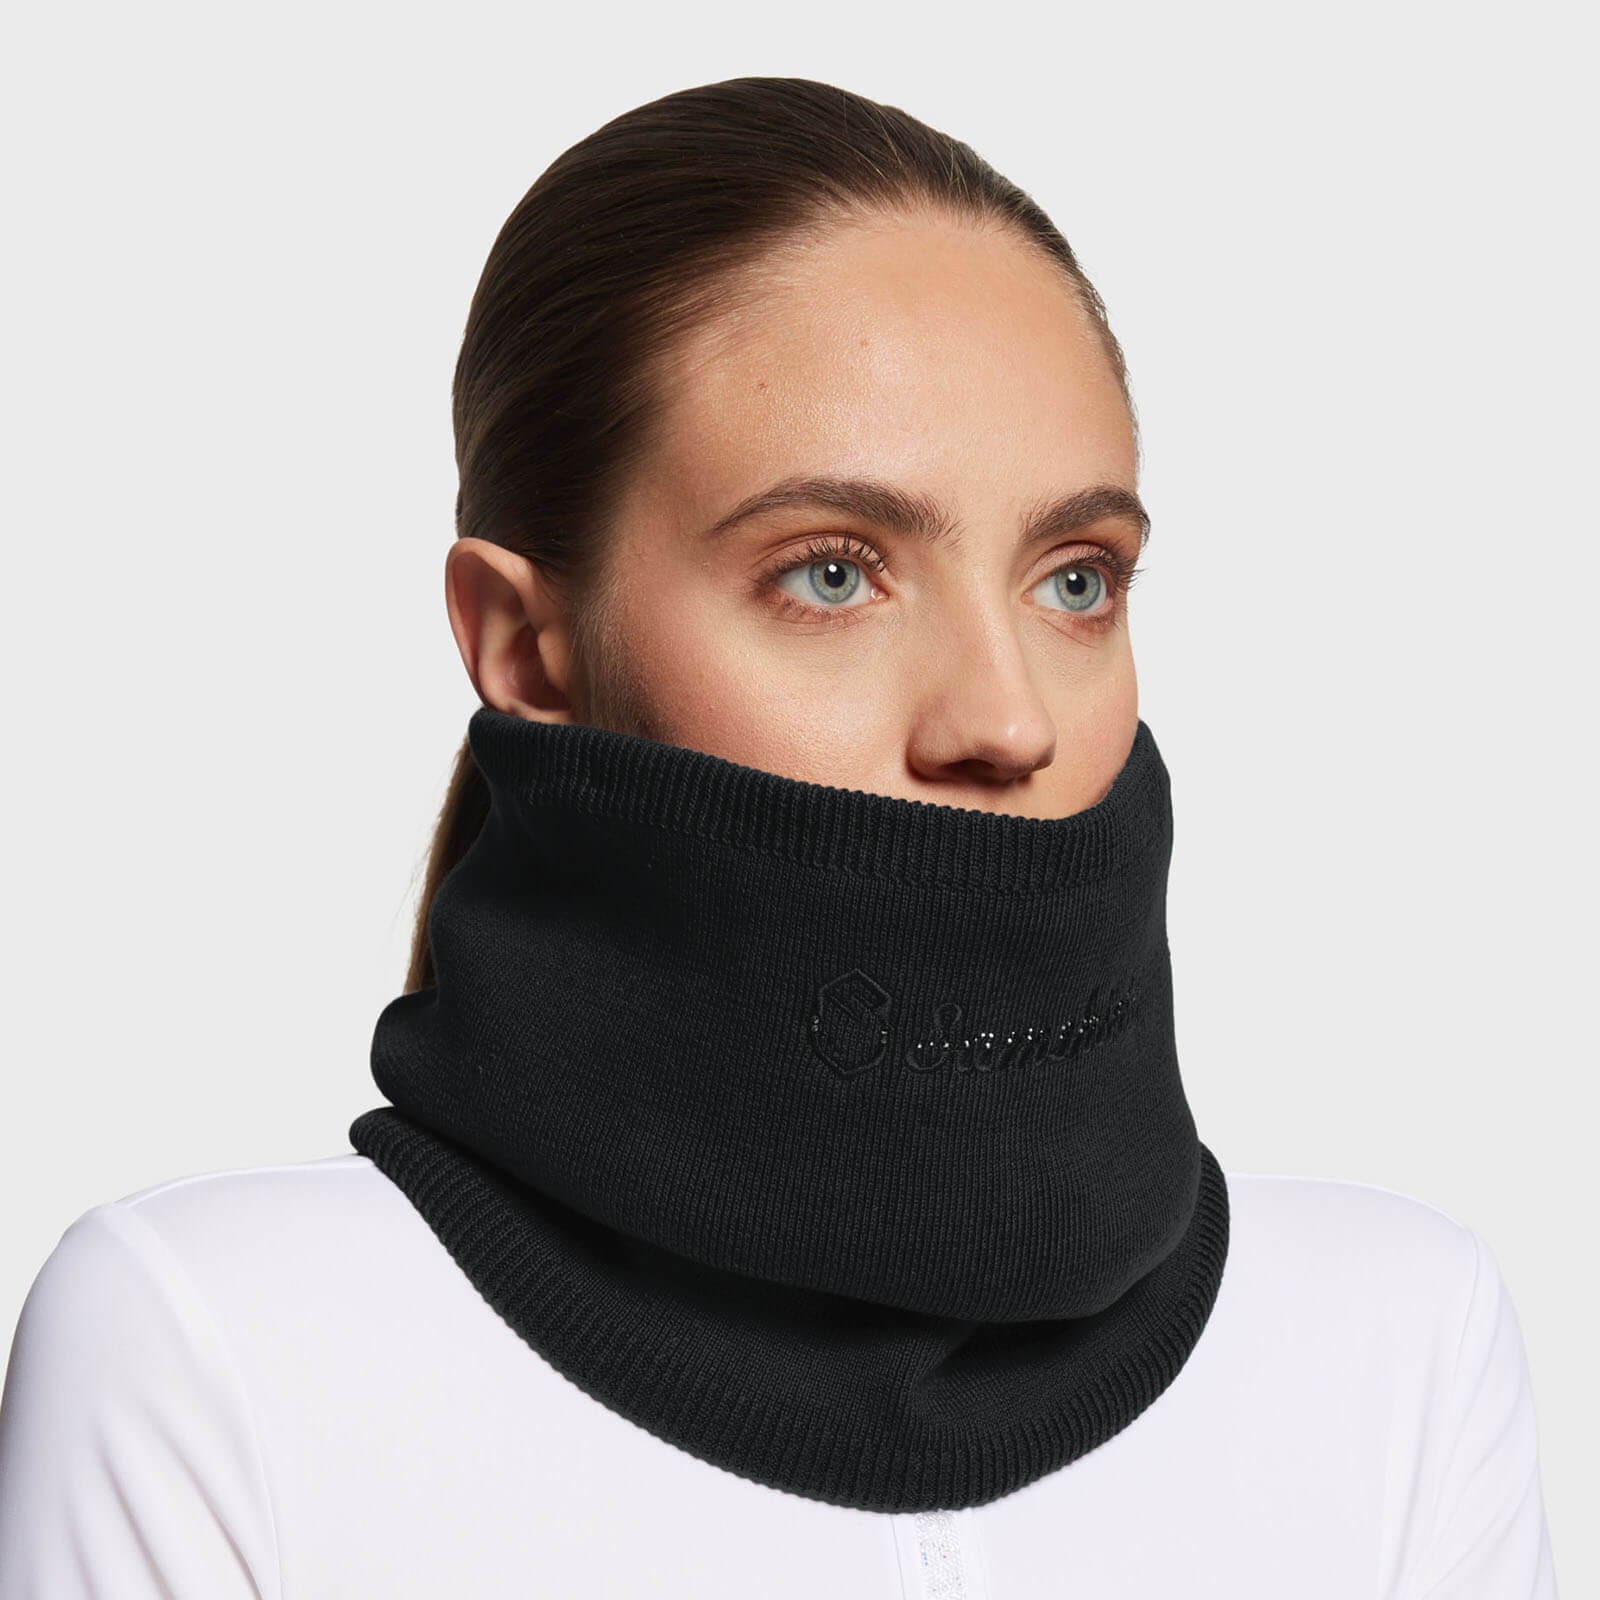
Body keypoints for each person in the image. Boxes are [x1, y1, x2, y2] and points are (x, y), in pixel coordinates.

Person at [0, 76, 1559, 1598]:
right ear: (525, 647)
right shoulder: (225, 1355)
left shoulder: (1396, 1349)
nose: (1007, 717)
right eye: (831, 574)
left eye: (1075, 579)